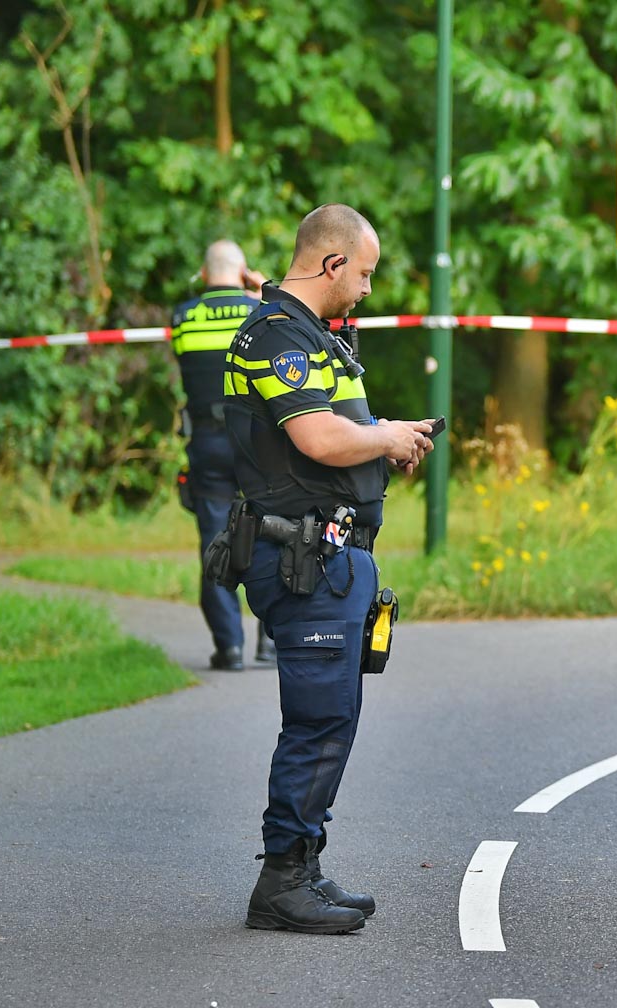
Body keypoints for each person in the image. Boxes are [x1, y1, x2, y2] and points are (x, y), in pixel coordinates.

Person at [223, 204, 437, 934]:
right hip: (300, 558)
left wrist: (385, 440)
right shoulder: (276, 336)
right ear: (332, 262)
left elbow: (336, 437)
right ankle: (280, 882)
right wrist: (385, 437)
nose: (368, 290)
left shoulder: (313, 335)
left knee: (334, 717)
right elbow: (317, 437)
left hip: (332, 556)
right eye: (365, 274)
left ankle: (305, 865)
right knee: (316, 721)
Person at [170, 240, 271, 671]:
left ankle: (229, 647)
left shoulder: (183, 317)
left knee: (216, 540)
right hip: (257, 443)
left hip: (208, 443)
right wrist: (263, 290)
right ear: (243, 270)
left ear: (203, 272)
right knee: (275, 534)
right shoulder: (260, 311)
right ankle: (272, 642)